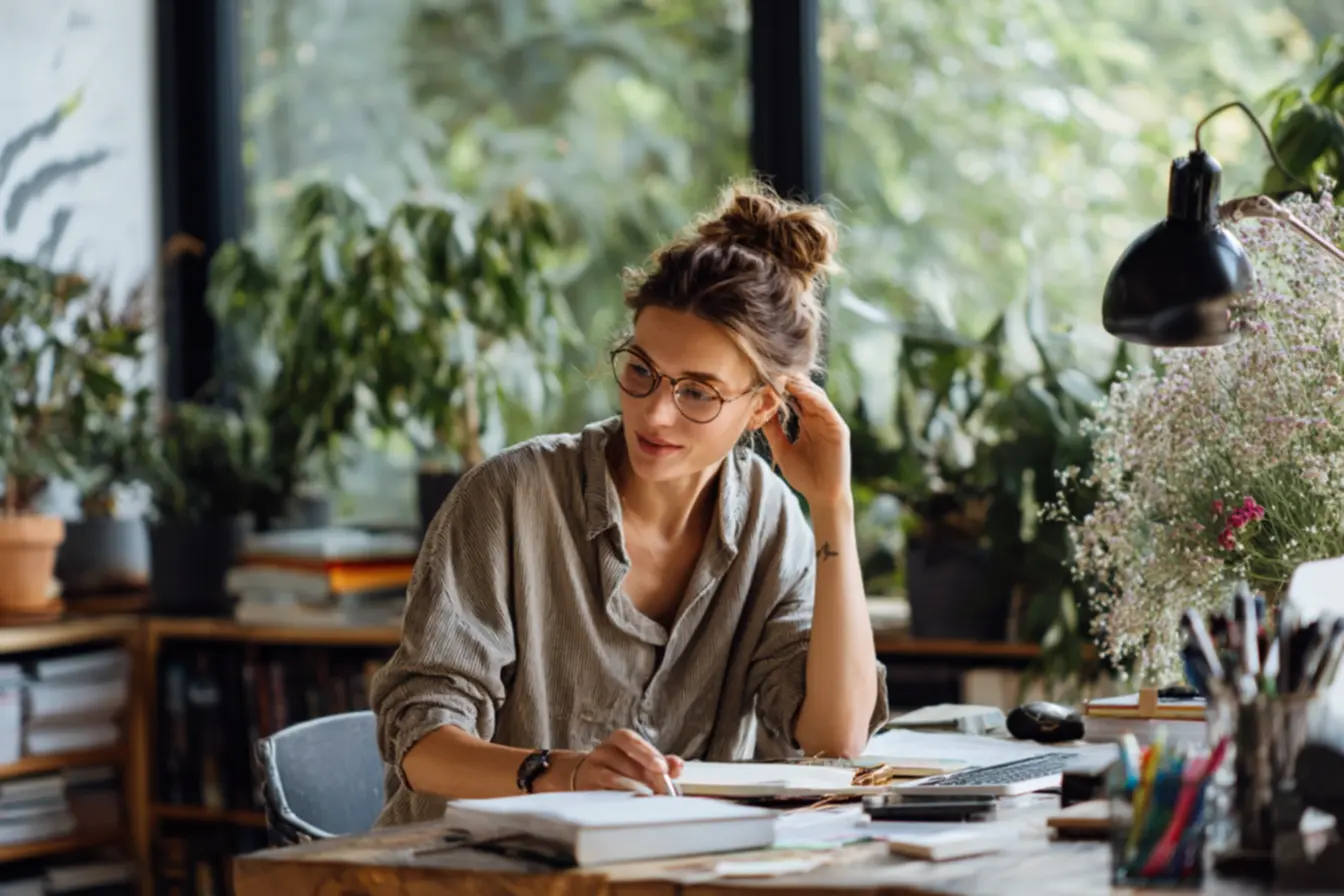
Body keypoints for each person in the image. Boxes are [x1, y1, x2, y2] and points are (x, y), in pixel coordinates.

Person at [369, 180, 889, 827]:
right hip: (472, 874)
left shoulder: (771, 522)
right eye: (641, 370)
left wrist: (832, 505)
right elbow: (420, 742)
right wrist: (566, 774)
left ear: (761, 406)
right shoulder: (510, 498)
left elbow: (835, 740)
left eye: (698, 392)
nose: (655, 412)